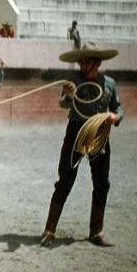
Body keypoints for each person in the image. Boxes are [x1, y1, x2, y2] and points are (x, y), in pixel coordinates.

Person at [40, 42, 123, 248]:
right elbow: (63, 103)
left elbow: (118, 109)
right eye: (81, 62)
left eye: (86, 62)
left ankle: (96, 232)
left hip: (100, 135)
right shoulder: (73, 81)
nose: (83, 66)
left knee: (102, 182)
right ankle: (49, 230)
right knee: (65, 180)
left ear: (98, 62)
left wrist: (115, 116)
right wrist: (69, 95)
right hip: (76, 132)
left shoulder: (109, 83)